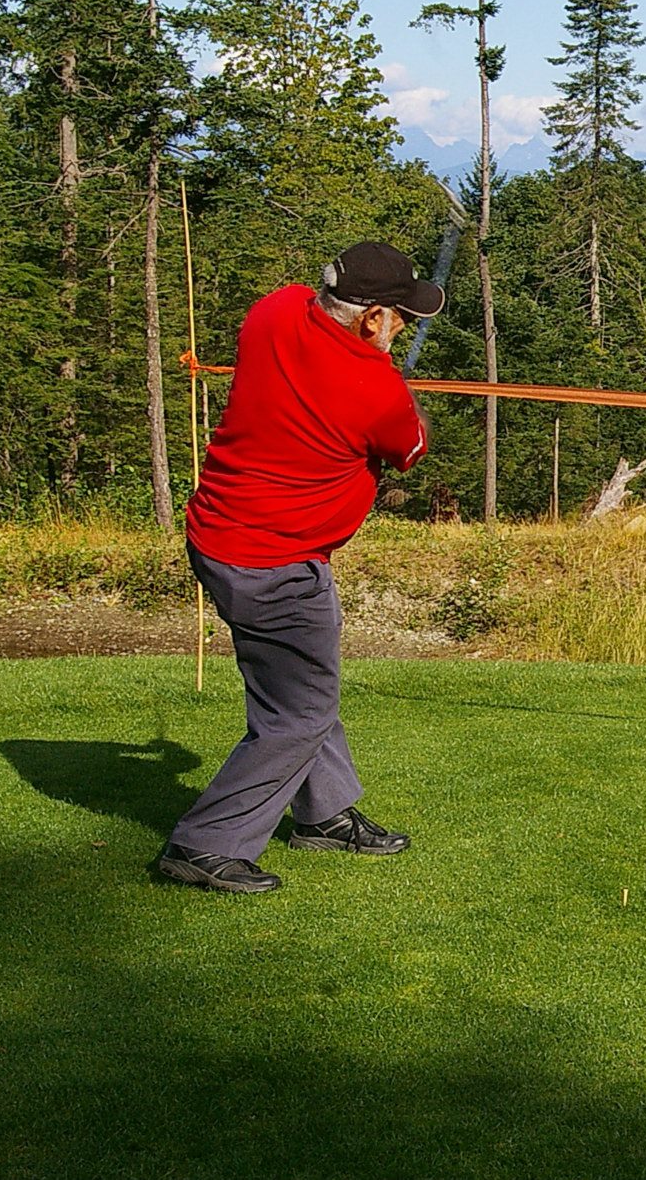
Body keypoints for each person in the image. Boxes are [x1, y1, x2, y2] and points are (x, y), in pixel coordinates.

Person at [155, 242, 443, 895]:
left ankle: (324, 813)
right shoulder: (379, 391)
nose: (404, 327)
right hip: (274, 565)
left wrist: (375, 371)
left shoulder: (273, 311)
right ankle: (205, 844)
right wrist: (389, 382)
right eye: (400, 317)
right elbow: (410, 448)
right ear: (373, 318)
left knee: (301, 687)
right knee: (299, 714)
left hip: (217, 536)